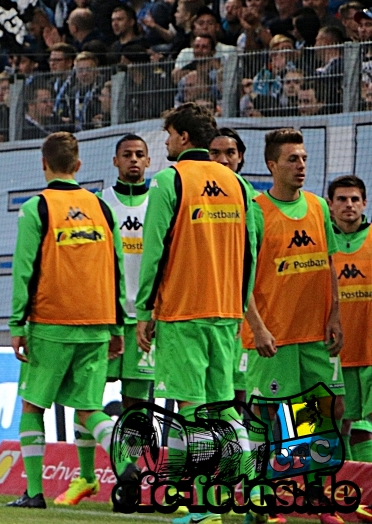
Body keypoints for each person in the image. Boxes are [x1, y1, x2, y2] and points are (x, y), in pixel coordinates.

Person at [135, 103, 257, 524]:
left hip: (183, 310)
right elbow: (251, 252)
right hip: (226, 310)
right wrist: (239, 304)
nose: (165, 141)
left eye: (168, 134)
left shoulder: (169, 181)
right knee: (224, 406)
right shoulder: (238, 184)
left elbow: (154, 252)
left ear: (183, 137)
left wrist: (144, 311)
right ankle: (254, 490)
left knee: (192, 409)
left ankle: (205, 508)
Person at [7, 132, 131, 508]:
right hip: (97, 322)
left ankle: (34, 493)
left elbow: (23, 270)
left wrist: (17, 325)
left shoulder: (36, 208)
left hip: (51, 322)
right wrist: (117, 324)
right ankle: (126, 463)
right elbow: (118, 267)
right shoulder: (102, 207)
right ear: (78, 166)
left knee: (32, 405)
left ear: (44, 164)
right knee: (90, 408)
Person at [240, 129, 344, 524]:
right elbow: (241, 275)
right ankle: (261, 501)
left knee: (319, 414)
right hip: (273, 336)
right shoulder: (256, 210)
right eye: (291, 160)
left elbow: (328, 265)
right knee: (270, 420)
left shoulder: (318, 206)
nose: (301, 165)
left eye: (302, 158)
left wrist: (334, 314)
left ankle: (318, 499)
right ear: (272, 165)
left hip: (314, 334)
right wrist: (259, 327)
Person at [99, 135, 154, 410]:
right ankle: (95, 454)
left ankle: (131, 456)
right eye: (127, 154)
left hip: (144, 319)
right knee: (90, 398)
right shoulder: (101, 203)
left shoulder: (159, 202)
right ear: (115, 161)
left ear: (148, 161)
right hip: (109, 317)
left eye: (139, 154)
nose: (133, 159)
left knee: (137, 404)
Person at [327, 176, 372, 489]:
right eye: (341, 199)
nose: (349, 205)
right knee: (337, 421)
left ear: (365, 204)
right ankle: (340, 488)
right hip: (335, 351)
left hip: (370, 349)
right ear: (330, 205)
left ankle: (366, 492)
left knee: (364, 427)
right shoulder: (321, 241)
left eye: (355, 199)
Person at [208, 127, 257, 406]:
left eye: (230, 153)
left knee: (238, 397)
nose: (223, 160)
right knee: (202, 397)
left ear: (241, 158)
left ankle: (246, 451)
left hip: (239, 315)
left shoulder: (251, 201)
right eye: (215, 153)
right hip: (202, 315)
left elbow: (251, 262)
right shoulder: (192, 197)